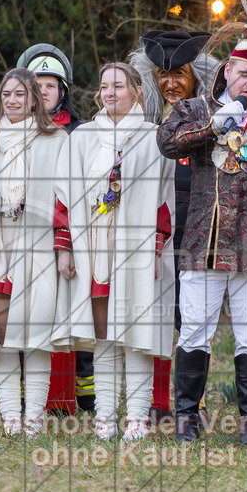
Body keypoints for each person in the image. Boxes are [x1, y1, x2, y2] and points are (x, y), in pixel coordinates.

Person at [158, 16, 247, 445]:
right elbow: (167, 142)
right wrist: (217, 124)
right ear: (226, 71)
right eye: (243, 73)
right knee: (194, 333)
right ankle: (187, 420)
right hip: (202, 243)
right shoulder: (196, 108)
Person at [53, 62, 175, 439]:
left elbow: (165, 200)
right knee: (103, 332)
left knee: (136, 330)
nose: (109, 92)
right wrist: (66, 248)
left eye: (118, 86)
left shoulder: (156, 139)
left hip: (138, 248)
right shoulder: (83, 138)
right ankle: (105, 415)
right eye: (104, 86)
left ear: (137, 90)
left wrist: (155, 248)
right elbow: (64, 197)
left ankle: (137, 416)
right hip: (94, 249)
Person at [0, 68, 68, 436]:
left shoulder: (55, 140)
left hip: (38, 250)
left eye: (20, 94)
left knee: (36, 333)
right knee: (1, 333)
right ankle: (10, 416)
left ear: (35, 98)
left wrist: (63, 247)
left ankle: (33, 416)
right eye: (6, 94)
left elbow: (64, 199)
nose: (12, 100)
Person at [130, 30, 219, 424]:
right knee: (153, 314)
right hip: (153, 228)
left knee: (192, 318)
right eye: (162, 75)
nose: (171, 83)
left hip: (198, 227)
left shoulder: (216, 118)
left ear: (197, 76)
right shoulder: (142, 123)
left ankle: (192, 405)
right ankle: (154, 400)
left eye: (179, 74)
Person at [17, 43, 90, 414]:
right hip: (21, 238)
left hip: (66, 238)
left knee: (67, 315)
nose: (44, 90)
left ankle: (73, 394)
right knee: (27, 317)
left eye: (51, 84)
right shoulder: (10, 132)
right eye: (37, 84)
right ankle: (31, 392)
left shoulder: (80, 133)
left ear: (62, 91)